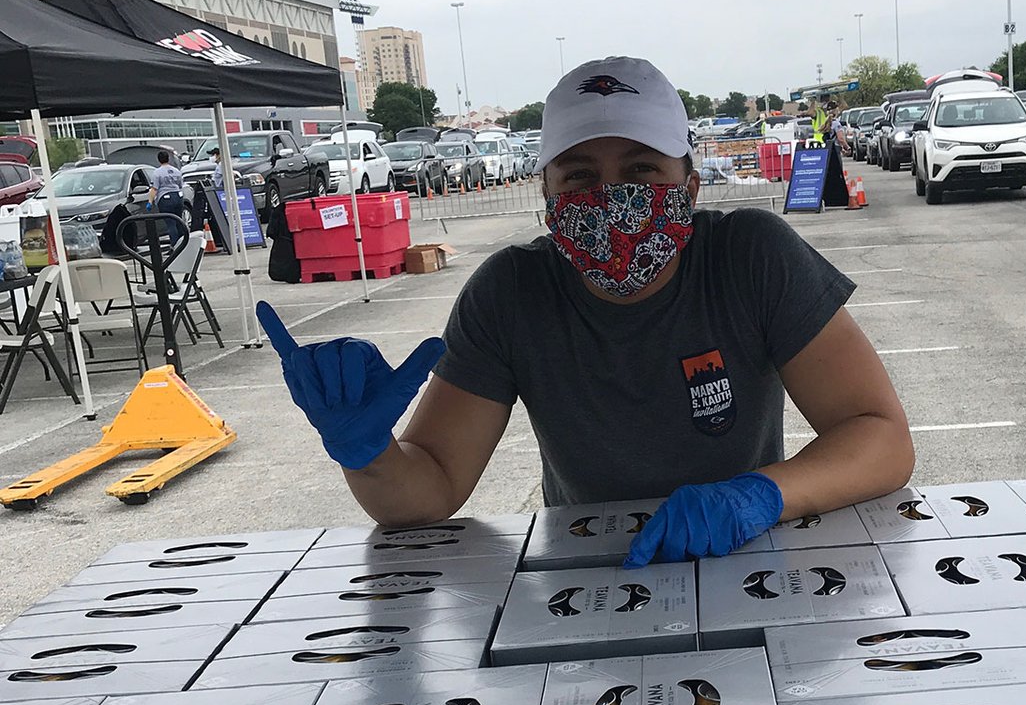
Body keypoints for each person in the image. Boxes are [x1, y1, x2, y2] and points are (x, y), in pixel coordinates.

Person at [258, 56, 915, 566]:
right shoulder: (512, 294)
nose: (613, 199)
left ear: (688, 187)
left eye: (641, 171)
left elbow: (881, 438)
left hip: (744, 557)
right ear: (545, 196)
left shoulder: (751, 258)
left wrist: (766, 495)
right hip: (592, 571)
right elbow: (426, 492)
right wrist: (367, 453)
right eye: (579, 178)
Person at [149, 150, 186, 221]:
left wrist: (150, 202)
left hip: (165, 198)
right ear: (168, 159)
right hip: (178, 197)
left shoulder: (157, 173)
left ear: (159, 160)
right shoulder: (176, 171)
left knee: (170, 223)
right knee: (179, 221)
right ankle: (182, 232)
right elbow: (180, 185)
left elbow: (154, 189)